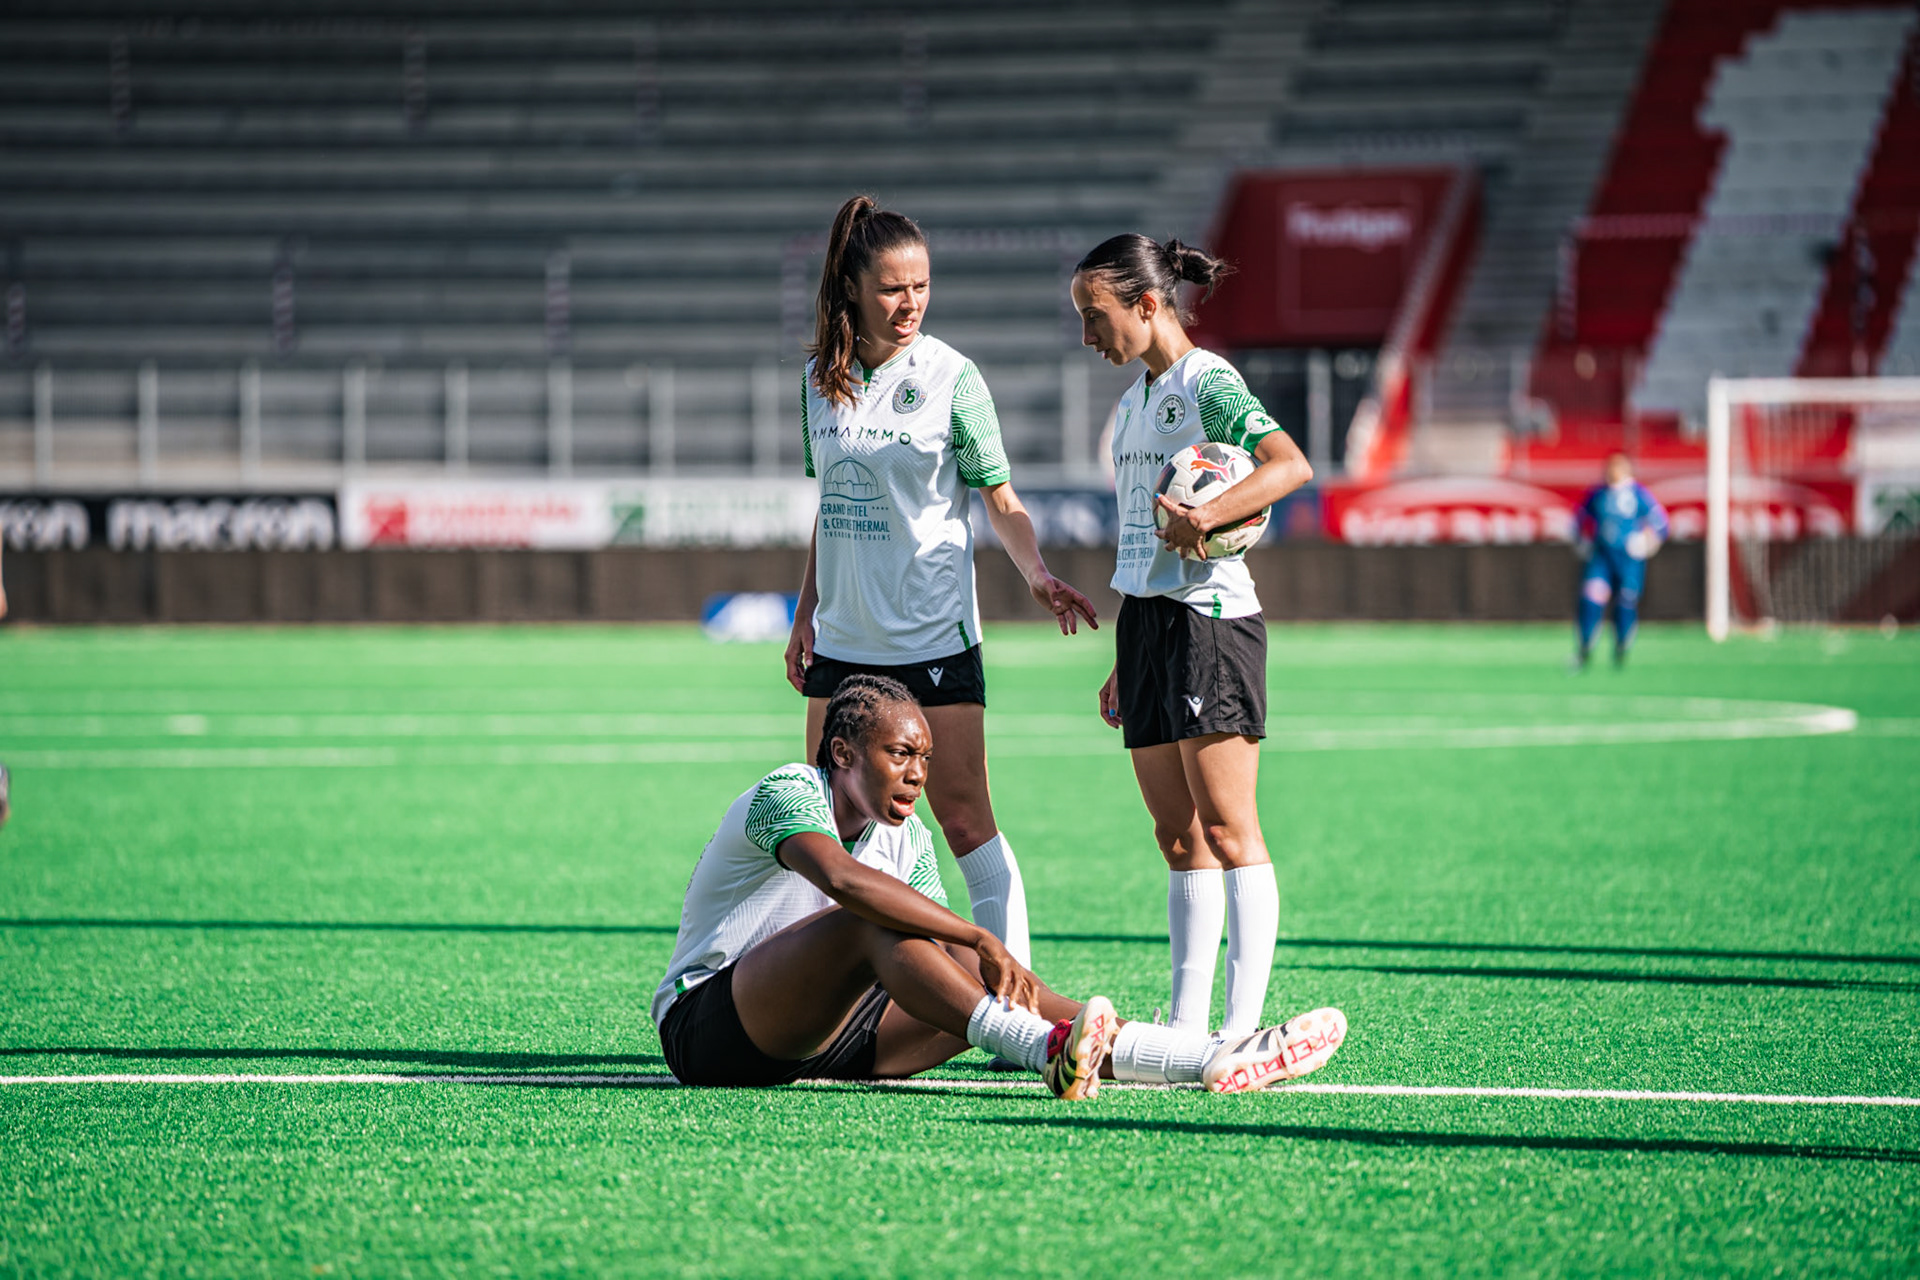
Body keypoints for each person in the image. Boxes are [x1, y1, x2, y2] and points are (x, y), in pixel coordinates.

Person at [652, 674, 1346, 1096]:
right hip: (709, 1032)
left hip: (822, 1040)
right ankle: (1040, 1051)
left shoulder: (909, 837)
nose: (919, 773)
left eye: (925, 757)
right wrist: (980, 935)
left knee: (968, 973)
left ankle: (1205, 1059)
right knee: (885, 923)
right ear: (842, 753)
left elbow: (926, 958)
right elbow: (845, 883)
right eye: (900, 754)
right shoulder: (791, 790)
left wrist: (977, 958)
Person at [784, 195, 1099, 970]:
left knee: (965, 823)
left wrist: (1036, 573)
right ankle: (840, 1004)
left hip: (933, 641)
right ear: (852, 287)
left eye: (922, 285)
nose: (910, 303)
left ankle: (1014, 997)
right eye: (893, 287)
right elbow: (831, 510)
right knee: (831, 831)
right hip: (845, 646)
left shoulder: (955, 377)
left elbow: (1001, 498)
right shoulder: (816, 386)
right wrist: (804, 615)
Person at [1070, 234, 1315, 1040]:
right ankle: (1185, 1027)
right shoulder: (1136, 400)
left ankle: (1240, 1030)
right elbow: (1142, 540)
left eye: (1095, 316)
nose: (1088, 336)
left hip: (1210, 619)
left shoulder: (1207, 380)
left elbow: (1288, 465)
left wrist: (1206, 518)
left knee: (1227, 828)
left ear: (1146, 304)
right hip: (1146, 624)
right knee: (1176, 835)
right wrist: (1121, 654)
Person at [1574, 452, 1669, 669]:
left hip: (1629, 561)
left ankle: (1622, 646)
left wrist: (1646, 543)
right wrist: (1582, 543)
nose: (1612, 471)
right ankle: (1586, 646)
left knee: (1625, 604)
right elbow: (1578, 519)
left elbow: (1661, 524)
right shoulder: (1598, 494)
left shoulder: (1639, 495)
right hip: (1602, 558)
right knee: (1591, 599)